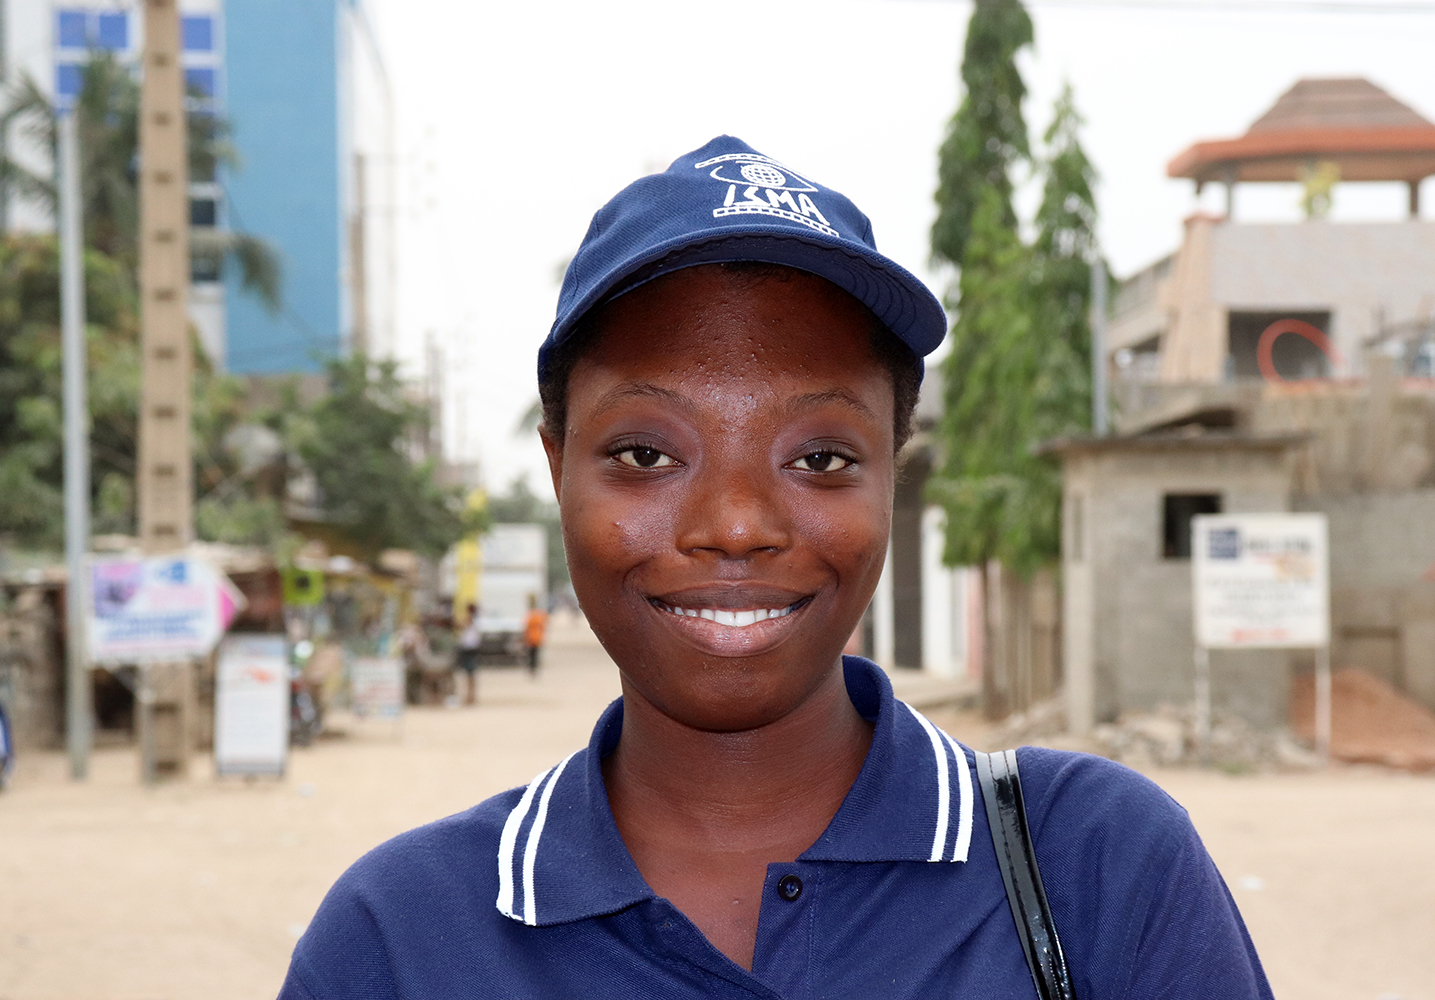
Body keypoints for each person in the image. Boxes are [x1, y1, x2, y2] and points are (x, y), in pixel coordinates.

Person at [278, 136, 1273, 998]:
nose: (737, 523)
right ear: (556, 464)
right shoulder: (400, 939)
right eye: (645, 454)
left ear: (893, 466)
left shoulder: (1095, 869)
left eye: (821, 457)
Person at [455, 603, 480, 707]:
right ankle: (471, 695)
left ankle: (470, 696)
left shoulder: (471, 619)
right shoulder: (476, 620)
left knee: (469, 673)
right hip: (471, 648)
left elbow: (460, 624)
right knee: (470, 674)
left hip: (469, 648)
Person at [522, 595, 548, 677]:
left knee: (531, 655)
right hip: (537, 638)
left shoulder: (531, 615)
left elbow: (526, 627)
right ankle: (534, 669)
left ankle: (532, 669)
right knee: (535, 655)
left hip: (531, 638)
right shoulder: (539, 615)